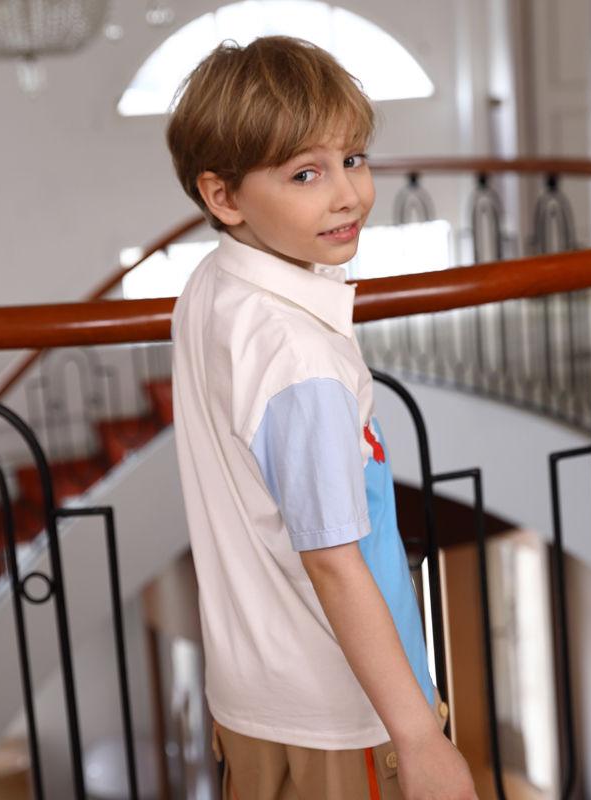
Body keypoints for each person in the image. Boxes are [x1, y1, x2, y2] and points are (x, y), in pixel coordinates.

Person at [166, 35, 477, 800]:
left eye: (354, 159)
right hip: (345, 715)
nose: (348, 194)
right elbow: (333, 561)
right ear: (224, 197)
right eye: (306, 173)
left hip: (254, 700)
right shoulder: (298, 358)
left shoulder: (214, 285)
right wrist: (420, 738)